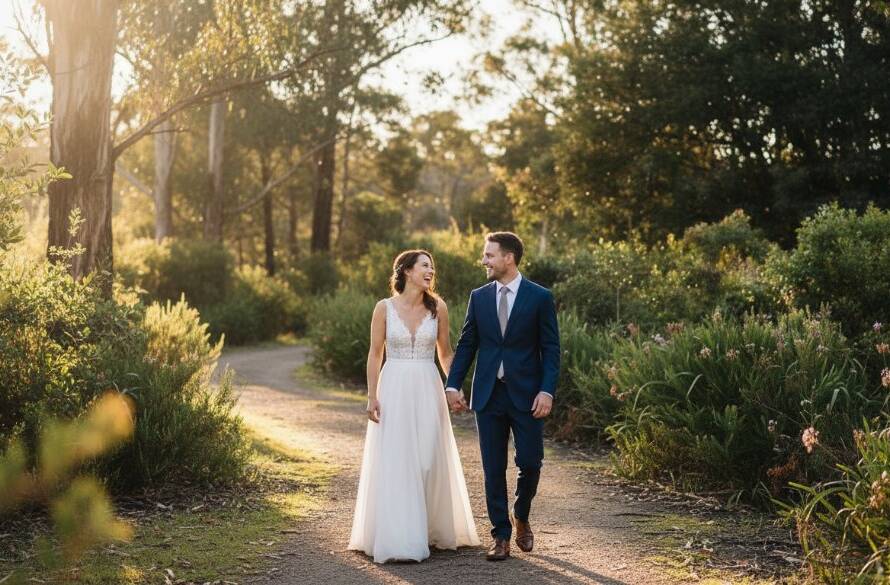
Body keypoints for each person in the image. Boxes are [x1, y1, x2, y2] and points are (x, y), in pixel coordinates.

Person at [348, 249, 481, 563]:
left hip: (427, 385)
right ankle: (400, 536)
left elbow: (445, 353)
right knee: (397, 458)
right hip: (393, 385)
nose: (430, 271)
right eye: (425, 266)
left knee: (426, 458)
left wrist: (454, 387)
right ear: (406, 271)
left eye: (432, 267)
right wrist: (371, 396)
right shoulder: (383, 308)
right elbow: (374, 354)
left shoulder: (439, 308)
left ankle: (431, 526)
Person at [445, 231, 560, 561]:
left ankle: (521, 514)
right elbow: (467, 344)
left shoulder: (539, 297)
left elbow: (551, 349)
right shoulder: (478, 297)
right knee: (492, 467)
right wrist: (453, 384)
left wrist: (546, 390)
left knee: (530, 462)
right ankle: (501, 535)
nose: (484, 261)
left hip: (528, 396)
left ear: (508, 258)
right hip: (488, 396)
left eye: (489, 255)